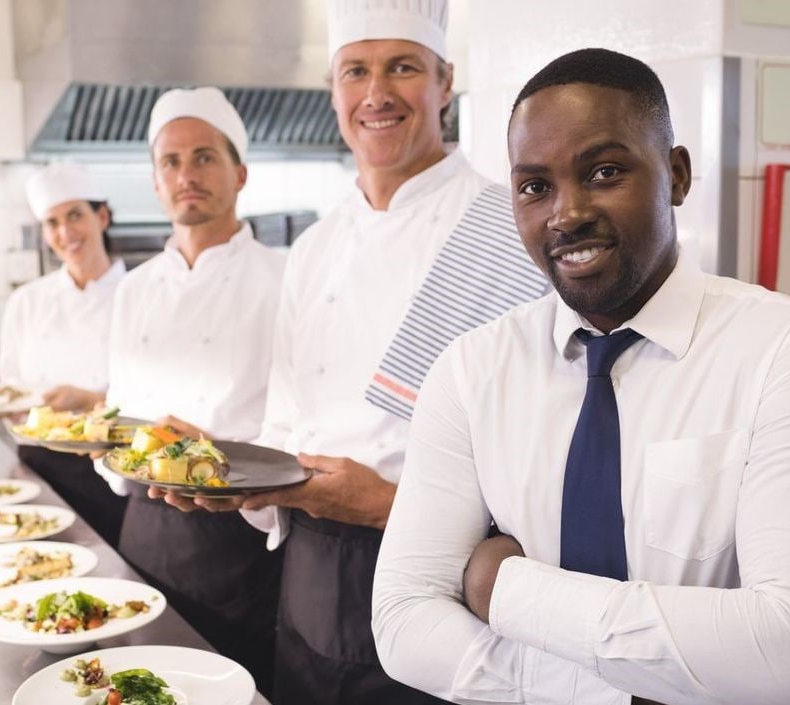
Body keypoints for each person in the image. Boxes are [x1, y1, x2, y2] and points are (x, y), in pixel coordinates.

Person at [372, 48, 790, 705]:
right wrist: (598, 691)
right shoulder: (471, 370)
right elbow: (404, 621)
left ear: (677, 174)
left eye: (603, 171)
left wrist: (505, 590)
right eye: (534, 186)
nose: (565, 213)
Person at [153, 2, 545, 703]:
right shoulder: (314, 248)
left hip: (439, 578)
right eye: (355, 71)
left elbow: (540, 467)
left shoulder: (507, 231)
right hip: (306, 576)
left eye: (403, 67)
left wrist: (387, 504)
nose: (377, 93)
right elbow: (283, 425)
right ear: (334, 91)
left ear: (444, 82)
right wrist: (223, 470)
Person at [97, 86, 285, 696]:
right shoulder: (134, 288)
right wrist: (114, 442)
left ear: (240, 172)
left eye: (205, 157)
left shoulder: (285, 278)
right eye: (170, 163)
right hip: (142, 527)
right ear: (155, 183)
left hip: (239, 538)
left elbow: (300, 428)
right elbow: (117, 416)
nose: (187, 175)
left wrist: (213, 452)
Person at [0, 163, 128, 546]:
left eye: (75, 215)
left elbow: (162, 399)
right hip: (37, 467)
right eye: (52, 222)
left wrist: (88, 400)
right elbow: (10, 391)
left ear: (101, 216)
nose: (65, 233)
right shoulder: (26, 301)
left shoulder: (138, 295)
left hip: (112, 469)